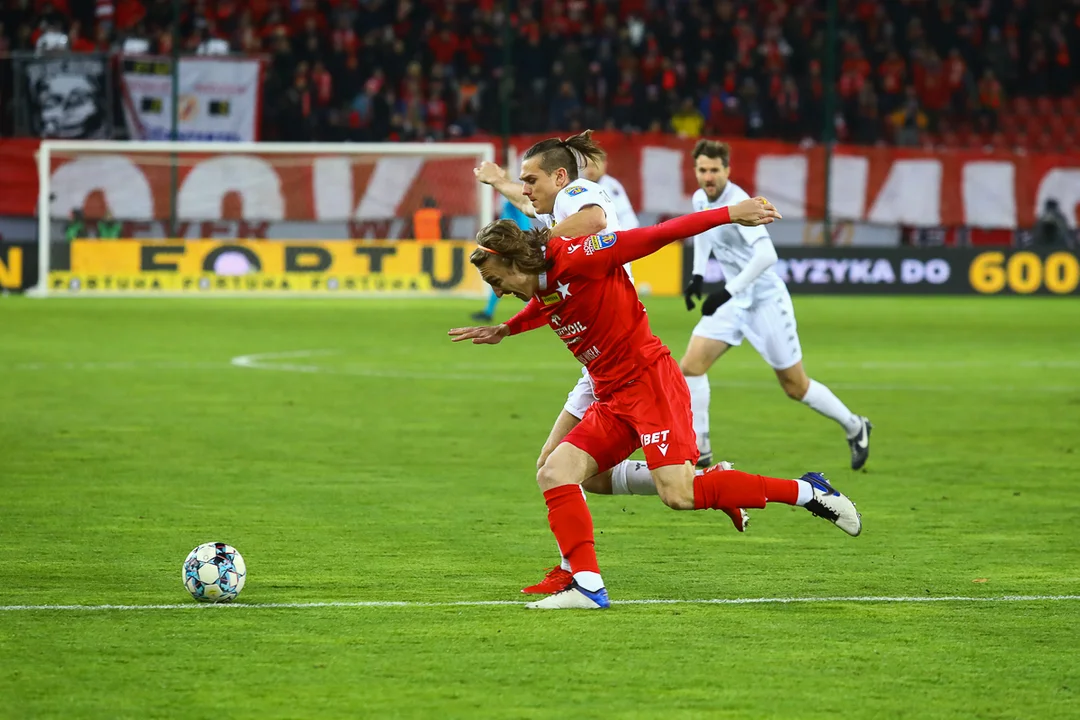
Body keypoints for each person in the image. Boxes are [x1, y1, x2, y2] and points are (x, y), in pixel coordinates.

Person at [449, 198, 862, 610]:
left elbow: (658, 235)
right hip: (610, 395)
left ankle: (808, 492)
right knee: (559, 472)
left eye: (493, 279)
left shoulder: (580, 256)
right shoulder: (542, 283)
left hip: (650, 385)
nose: (496, 290)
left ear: (510, 261)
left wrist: (730, 213)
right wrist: (507, 328)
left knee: (679, 496)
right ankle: (588, 586)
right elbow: (550, 302)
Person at [475, 129, 674, 595]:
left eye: (531, 180)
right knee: (561, 468)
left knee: (557, 467)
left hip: (615, 339)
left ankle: (579, 576)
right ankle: (575, 568)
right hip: (597, 345)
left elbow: (592, 219)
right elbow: (535, 211)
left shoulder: (578, 193)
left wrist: (536, 249)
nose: (527, 192)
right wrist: (502, 182)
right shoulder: (553, 203)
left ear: (559, 176)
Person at [680, 140, 872, 470]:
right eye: (702, 170)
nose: (708, 176)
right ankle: (701, 447)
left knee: (795, 386)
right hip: (734, 301)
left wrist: (727, 291)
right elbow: (703, 231)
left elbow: (768, 255)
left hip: (764, 301)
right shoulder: (700, 198)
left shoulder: (742, 203)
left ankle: (856, 426)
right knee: (691, 367)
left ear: (727, 170)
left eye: (714, 170)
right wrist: (697, 275)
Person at [471, 197, 533, 323]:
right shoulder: (506, 198)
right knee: (500, 278)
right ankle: (488, 311)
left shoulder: (512, 198)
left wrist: (522, 240)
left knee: (515, 278)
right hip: (509, 241)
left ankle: (537, 309)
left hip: (513, 242)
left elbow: (521, 219)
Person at [580, 153, 640, 230]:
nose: (590, 170)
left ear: (604, 165)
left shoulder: (611, 186)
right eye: (587, 166)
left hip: (621, 232)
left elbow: (624, 216)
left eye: (593, 165)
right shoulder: (580, 186)